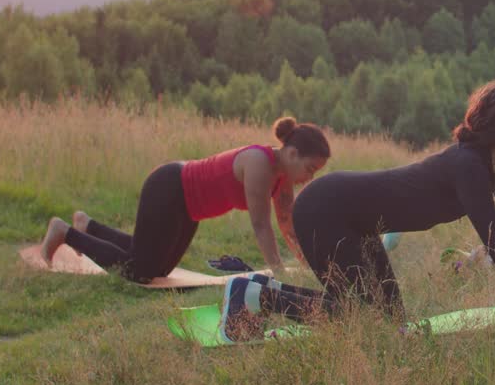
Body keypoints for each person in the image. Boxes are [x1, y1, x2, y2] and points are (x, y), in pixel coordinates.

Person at [220, 77, 495, 342]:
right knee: (363, 319)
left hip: (356, 221)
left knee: (390, 324)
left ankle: (257, 291)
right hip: (325, 209)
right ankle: (255, 296)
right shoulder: (470, 167)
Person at [39, 116, 330, 283]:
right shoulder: (259, 163)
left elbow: (286, 224)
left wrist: (307, 262)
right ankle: (65, 232)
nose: (310, 178)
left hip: (189, 210)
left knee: (160, 270)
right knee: (140, 271)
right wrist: (278, 273)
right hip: (169, 188)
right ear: (292, 154)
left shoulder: (283, 179)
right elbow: (261, 224)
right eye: (310, 169)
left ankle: (88, 226)